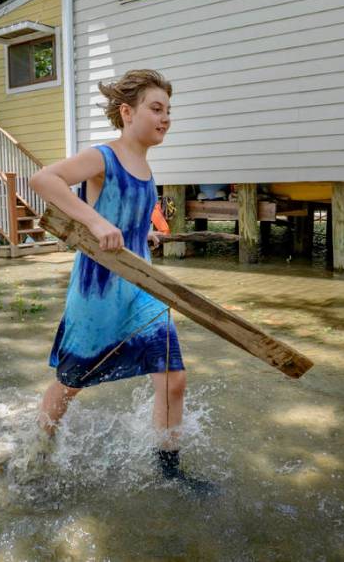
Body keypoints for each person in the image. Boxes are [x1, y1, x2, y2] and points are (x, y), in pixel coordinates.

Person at [28, 69, 212, 493]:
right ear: (127, 112)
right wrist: (95, 220)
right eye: (156, 108)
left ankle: (169, 471)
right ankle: (37, 452)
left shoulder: (146, 167)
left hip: (143, 286)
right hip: (98, 290)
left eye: (169, 111)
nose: (165, 118)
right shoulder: (102, 157)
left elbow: (126, 217)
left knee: (174, 377)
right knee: (71, 381)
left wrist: (139, 232)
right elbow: (44, 180)